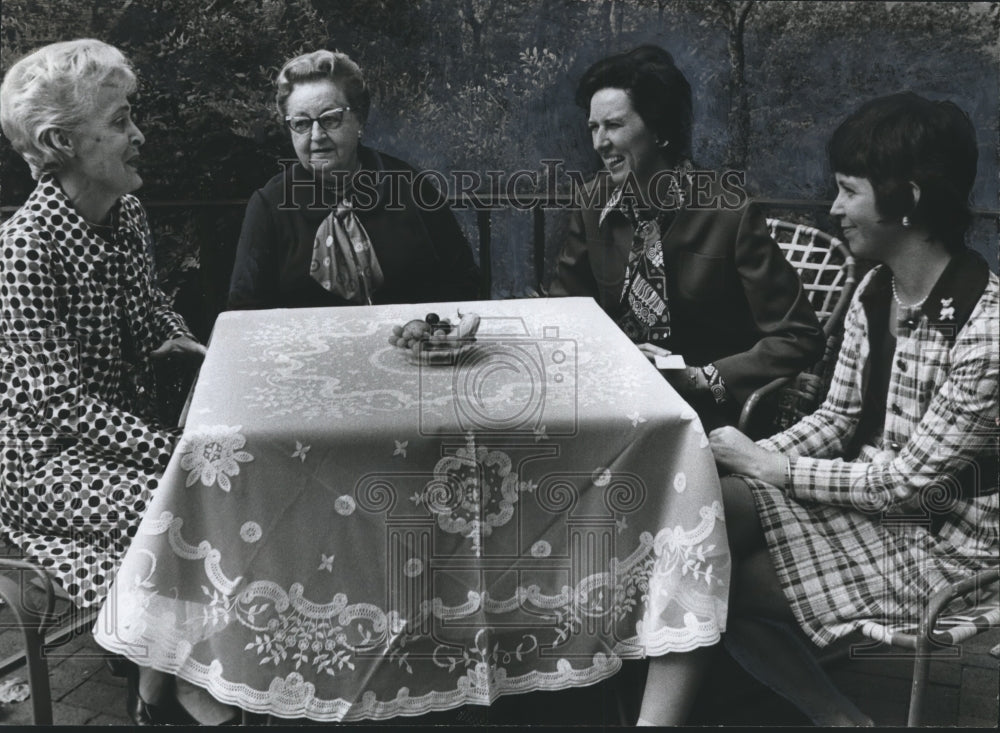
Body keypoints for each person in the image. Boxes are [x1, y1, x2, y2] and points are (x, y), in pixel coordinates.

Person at [697, 93, 997, 726]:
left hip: (946, 548)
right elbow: (836, 419)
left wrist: (766, 466)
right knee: (704, 506)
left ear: (907, 201)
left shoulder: (986, 328)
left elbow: (905, 483)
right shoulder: (875, 286)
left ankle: (839, 720)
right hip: (871, 510)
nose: (834, 210)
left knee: (712, 583)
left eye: (847, 191)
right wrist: (729, 461)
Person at [0, 38, 206, 609]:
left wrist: (196, 348)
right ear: (61, 142)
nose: (138, 135)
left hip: (111, 444)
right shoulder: (24, 249)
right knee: (192, 508)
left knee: (213, 498)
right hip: (41, 464)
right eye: (120, 121)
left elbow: (149, 313)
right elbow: (60, 405)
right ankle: (174, 677)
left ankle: (163, 684)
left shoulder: (127, 213)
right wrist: (173, 449)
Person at [550, 45, 824, 430]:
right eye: (593, 128)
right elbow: (567, 310)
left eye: (613, 125)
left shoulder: (729, 213)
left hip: (706, 413)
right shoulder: (592, 202)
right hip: (612, 400)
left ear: (660, 131)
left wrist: (701, 377)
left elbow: (799, 336)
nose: (599, 143)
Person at [228, 49, 480, 310]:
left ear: (359, 118)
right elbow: (245, 310)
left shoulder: (409, 185)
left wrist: (426, 327)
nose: (316, 135)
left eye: (330, 119)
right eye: (301, 123)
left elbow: (462, 280)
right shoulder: (269, 205)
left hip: (407, 345)